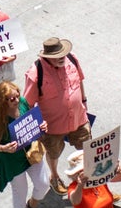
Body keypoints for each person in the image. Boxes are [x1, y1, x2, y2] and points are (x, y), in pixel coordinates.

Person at [24, 36, 90, 195]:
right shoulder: (36, 73)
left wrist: (84, 102)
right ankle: (54, 176)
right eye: (56, 57)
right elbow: (27, 104)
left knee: (88, 149)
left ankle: (93, 179)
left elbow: (80, 81)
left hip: (78, 118)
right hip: (53, 127)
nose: (61, 58)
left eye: (62, 54)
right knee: (54, 154)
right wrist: (35, 129)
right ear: (47, 57)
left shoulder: (72, 60)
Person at [0, 81, 50, 208]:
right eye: (11, 99)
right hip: (11, 159)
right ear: (3, 101)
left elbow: (32, 121)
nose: (16, 100)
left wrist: (41, 127)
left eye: (17, 96)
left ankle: (32, 205)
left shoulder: (22, 103)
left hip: (29, 151)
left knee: (43, 183)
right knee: (20, 190)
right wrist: (4, 147)